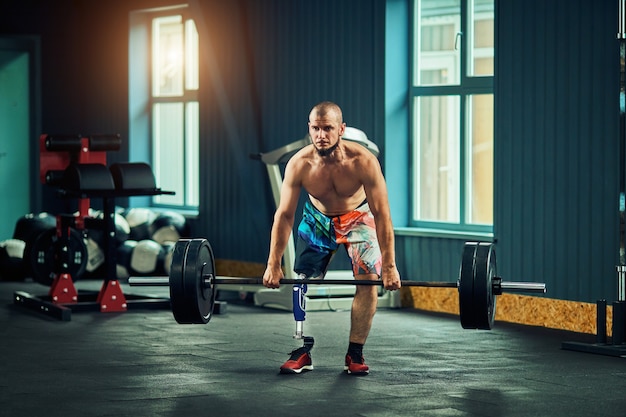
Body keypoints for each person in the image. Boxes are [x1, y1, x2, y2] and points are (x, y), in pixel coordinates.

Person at [262, 101, 401, 376]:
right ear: (309, 129)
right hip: (318, 218)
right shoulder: (299, 164)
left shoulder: (363, 162)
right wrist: (273, 263)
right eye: (316, 128)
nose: (321, 135)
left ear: (342, 129)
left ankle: (355, 352)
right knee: (299, 279)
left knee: (368, 281)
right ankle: (302, 349)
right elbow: (285, 215)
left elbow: (382, 215)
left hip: (358, 218)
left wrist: (389, 265)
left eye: (328, 128)